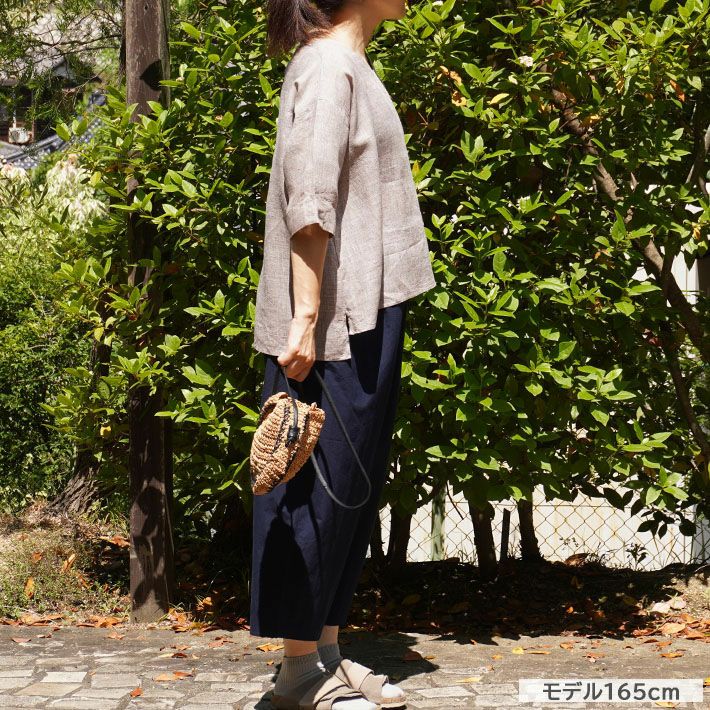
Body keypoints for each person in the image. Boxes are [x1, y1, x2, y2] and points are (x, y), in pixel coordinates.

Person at [250, 0, 436, 707]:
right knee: (313, 490)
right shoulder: (328, 67)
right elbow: (310, 201)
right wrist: (304, 318)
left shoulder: (350, 63)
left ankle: (323, 654)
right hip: (330, 326)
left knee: (348, 494)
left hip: (366, 309)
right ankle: (299, 671)